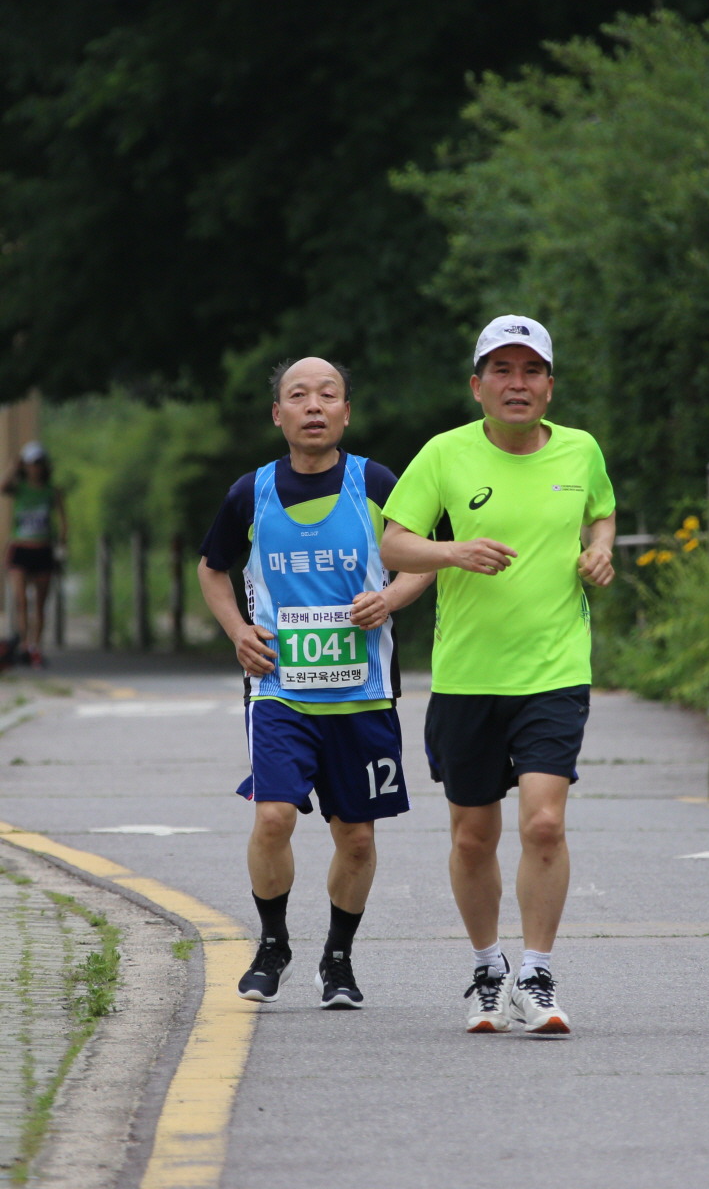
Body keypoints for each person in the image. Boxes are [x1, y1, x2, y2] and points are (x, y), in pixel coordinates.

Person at [380, 315, 615, 1036]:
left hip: (552, 670)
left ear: (549, 384)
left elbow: (600, 515)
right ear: (477, 384)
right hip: (466, 677)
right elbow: (394, 539)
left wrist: (598, 552)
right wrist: (452, 554)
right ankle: (488, 969)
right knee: (471, 837)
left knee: (544, 823)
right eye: (502, 371)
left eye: (531, 371)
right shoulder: (443, 454)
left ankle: (536, 973)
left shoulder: (581, 451)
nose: (517, 384)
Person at [198, 356, 432, 1010]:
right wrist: (238, 631)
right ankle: (272, 943)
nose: (313, 405)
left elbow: (427, 558)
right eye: (297, 395)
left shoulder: (377, 483)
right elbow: (212, 569)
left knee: (355, 836)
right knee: (273, 816)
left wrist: (392, 597)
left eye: (327, 394)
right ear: (278, 414)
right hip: (279, 689)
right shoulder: (251, 492)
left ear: (345, 411)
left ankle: (338, 958)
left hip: (361, 692)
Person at [2, 441, 67, 668]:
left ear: (44, 465)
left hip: (43, 549)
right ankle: (21, 646)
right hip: (20, 548)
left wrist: (61, 547)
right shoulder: (19, 488)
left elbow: (62, 520)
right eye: (30, 464)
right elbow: (2, 486)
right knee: (21, 601)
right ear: (25, 465)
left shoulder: (51, 491)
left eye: (38, 463)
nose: (35, 468)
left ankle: (35, 647)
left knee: (40, 603)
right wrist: (13, 465)